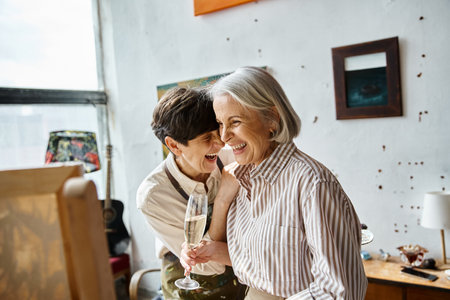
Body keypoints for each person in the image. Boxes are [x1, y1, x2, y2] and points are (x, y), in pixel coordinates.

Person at [182, 67, 368, 300]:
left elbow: (340, 291)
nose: (224, 136)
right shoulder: (242, 178)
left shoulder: (313, 184)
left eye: (235, 121)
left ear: (272, 118)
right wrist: (211, 251)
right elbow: (273, 265)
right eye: (220, 124)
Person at [136, 87, 246, 300]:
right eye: (207, 137)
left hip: (239, 277)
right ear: (174, 145)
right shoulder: (153, 196)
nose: (220, 143)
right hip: (188, 284)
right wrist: (223, 199)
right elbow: (210, 266)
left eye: (219, 130)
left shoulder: (232, 159)